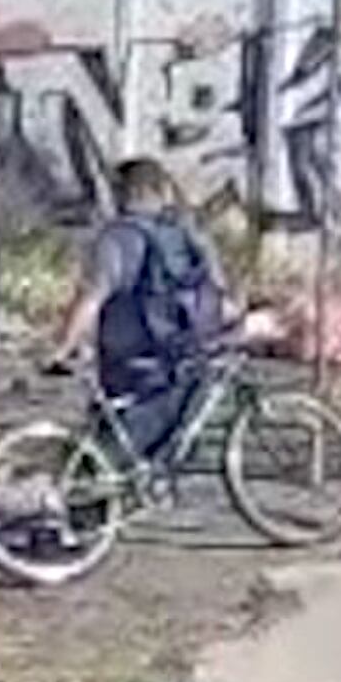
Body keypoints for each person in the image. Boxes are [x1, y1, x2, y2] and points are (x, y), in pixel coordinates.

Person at [47, 157, 233, 465]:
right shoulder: (185, 236)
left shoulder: (117, 238)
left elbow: (91, 299)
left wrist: (61, 349)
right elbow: (217, 291)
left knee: (111, 446)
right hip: (178, 357)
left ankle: (88, 490)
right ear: (161, 190)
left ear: (123, 192)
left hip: (127, 360)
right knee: (154, 442)